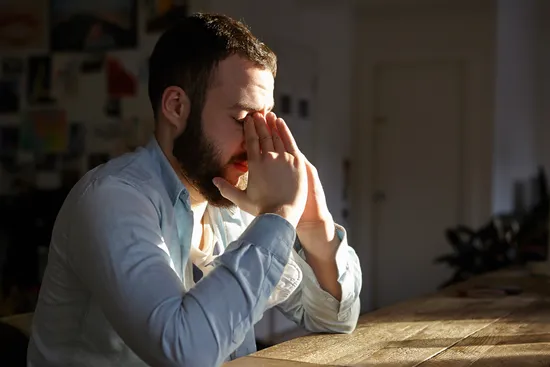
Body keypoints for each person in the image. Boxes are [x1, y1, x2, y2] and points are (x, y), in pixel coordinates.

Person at [27, 13, 362, 367]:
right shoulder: (110, 200)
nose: (258, 142)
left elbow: (335, 318)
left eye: (265, 119)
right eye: (243, 119)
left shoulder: (233, 205)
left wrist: (315, 227)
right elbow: (185, 353)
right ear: (176, 107)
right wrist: (279, 215)